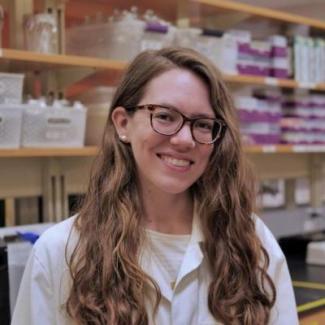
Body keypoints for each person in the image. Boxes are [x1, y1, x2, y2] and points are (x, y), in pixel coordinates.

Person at [12, 47, 298, 325]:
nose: (185, 139)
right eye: (164, 116)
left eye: (202, 124)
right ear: (123, 123)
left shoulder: (251, 241)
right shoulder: (60, 252)